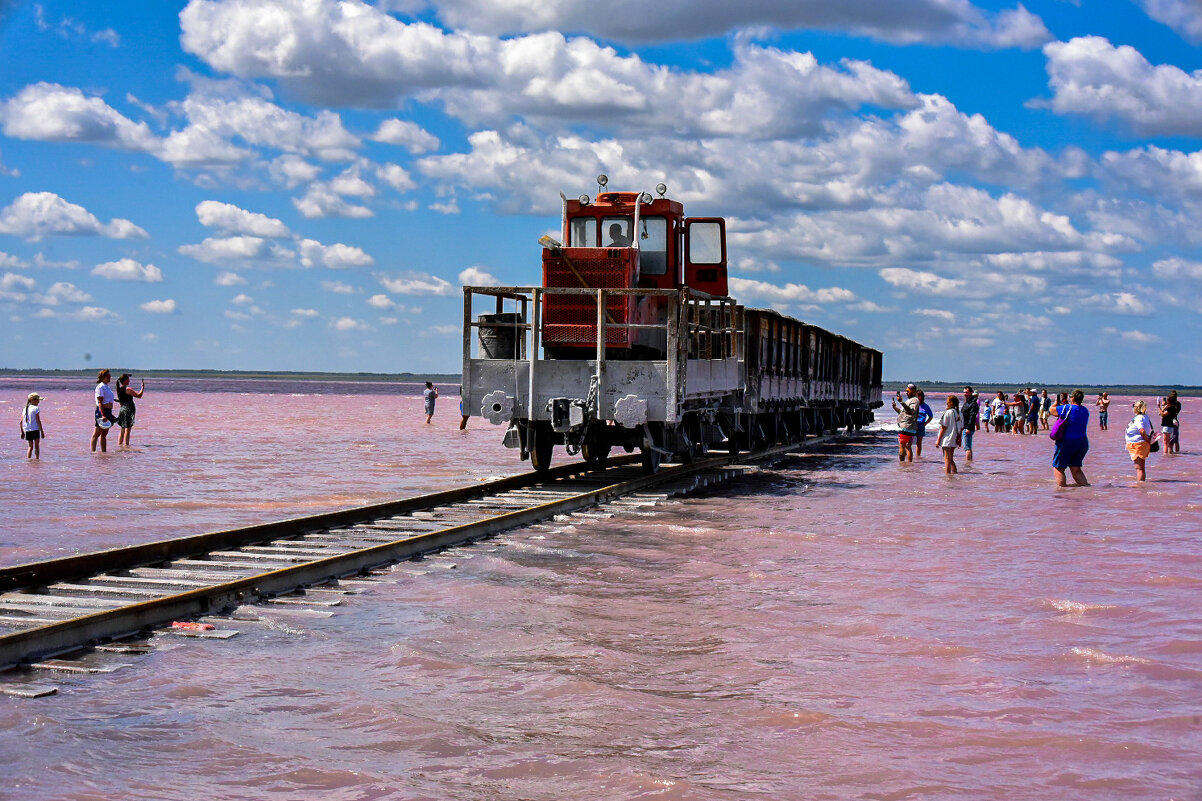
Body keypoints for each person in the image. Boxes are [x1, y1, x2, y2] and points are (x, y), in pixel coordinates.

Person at [1053, 389, 1090, 487]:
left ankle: (1062, 491)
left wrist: (1056, 403)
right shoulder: (1085, 410)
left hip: (1067, 442)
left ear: (1072, 397)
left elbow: (1052, 411)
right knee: (1076, 469)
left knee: (1059, 468)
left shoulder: (1066, 408)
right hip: (1082, 442)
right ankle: (1086, 488)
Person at [1125, 400, 1155, 482]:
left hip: (1138, 444)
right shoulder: (1145, 417)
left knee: (1139, 468)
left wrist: (1147, 439)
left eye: (1134, 406)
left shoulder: (1139, 418)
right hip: (1138, 444)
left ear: (1137, 408)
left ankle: (1140, 486)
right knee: (1140, 467)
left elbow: (1142, 430)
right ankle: (1141, 484)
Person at [891, 383, 919, 462]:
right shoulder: (909, 400)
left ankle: (902, 464)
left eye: (908, 391)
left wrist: (901, 402)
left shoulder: (915, 400)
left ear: (913, 391)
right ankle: (908, 465)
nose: (906, 392)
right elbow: (902, 413)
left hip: (907, 427)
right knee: (907, 446)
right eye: (906, 391)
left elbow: (910, 411)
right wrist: (895, 407)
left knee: (902, 446)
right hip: (907, 426)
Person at [115, 373, 145, 447]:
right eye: (128, 379)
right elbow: (139, 396)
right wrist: (142, 388)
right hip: (129, 409)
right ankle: (126, 446)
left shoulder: (119, 389)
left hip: (122, 409)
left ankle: (120, 445)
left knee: (122, 430)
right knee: (127, 430)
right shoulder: (128, 389)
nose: (129, 380)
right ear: (125, 381)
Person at [91, 369, 117, 453]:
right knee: (96, 434)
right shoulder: (100, 387)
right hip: (102, 411)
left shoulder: (107, 387)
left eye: (110, 376)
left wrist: (110, 414)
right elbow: (100, 402)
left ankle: (104, 452)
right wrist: (103, 415)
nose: (110, 377)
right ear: (103, 377)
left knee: (104, 435)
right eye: (108, 376)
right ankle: (93, 452)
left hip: (108, 411)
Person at [937, 394, 963, 475]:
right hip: (954, 438)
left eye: (947, 401)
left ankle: (948, 476)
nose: (946, 403)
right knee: (950, 459)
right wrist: (960, 439)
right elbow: (961, 428)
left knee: (947, 459)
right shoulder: (960, 413)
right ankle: (954, 474)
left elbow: (943, 427)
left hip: (947, 439)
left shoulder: (948, 412)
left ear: (951, 402)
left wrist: (938, 439)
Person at [19, 392, 45, 459]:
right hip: (35, 429)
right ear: (33, 400)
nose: (39, 401)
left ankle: (28, 460)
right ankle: (37, 460)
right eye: (37, 400)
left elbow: (20, 422)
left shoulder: (25, 408)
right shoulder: (36, 408)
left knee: (30, 446)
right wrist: (42, 431)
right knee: (37, 446)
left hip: (27, 430)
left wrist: (22, 432)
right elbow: (38, 420)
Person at [1159, 391, 1181, 455]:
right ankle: (1176, 454)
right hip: (1174, 422)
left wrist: (1162, 406)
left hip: (1170, 423)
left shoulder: (1171, 407)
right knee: (1175, 440)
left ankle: (1168, 454)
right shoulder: (1177, 404)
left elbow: (1162, 414)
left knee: (1168, 442)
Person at [960, 386, 979, 461]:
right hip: (964, 427)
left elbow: (972, 416)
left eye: (967, 392)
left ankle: (967, 465)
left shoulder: (973, 404)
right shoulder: (967, 402)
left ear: (971, 393)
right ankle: (969, 463)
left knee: (967, 447)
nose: (965, 394)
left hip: (968, 428)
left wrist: (968, 428)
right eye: (964, 392)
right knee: (968, 447)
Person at [914, 390, 933, 456]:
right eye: (917, 396)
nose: (918, 397)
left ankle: (918, 456)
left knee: (918, 443)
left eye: (919, 396)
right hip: (913, 425)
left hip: (921, 426)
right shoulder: (913, 405)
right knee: (909, 442)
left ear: (922, 397)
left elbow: (931, 416)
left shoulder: (925, 406)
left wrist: (925, 423)